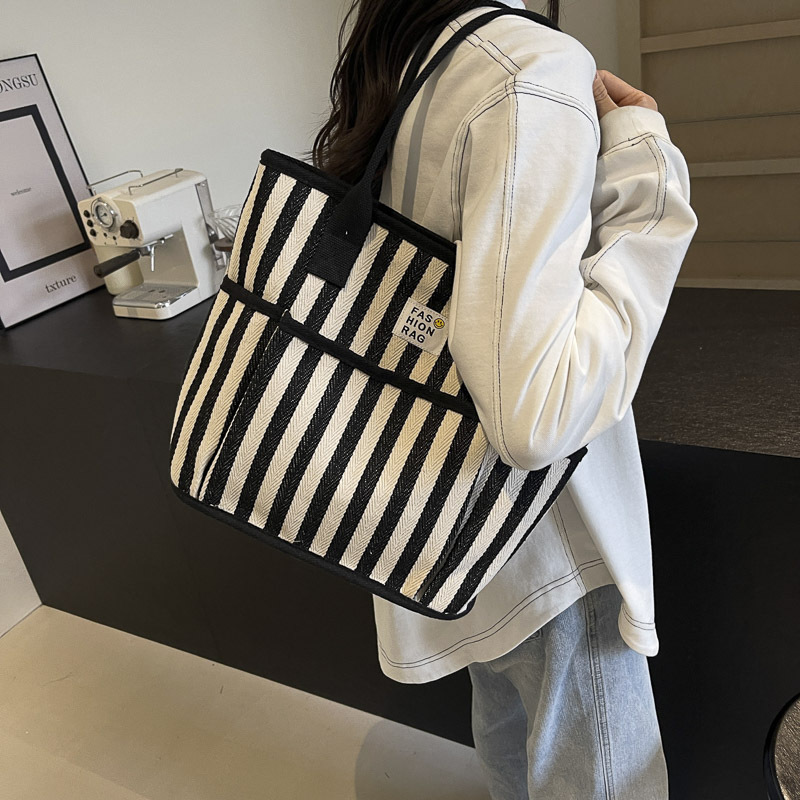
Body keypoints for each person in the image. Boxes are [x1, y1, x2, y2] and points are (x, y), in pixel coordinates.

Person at [309, 1, 698, 797]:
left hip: (445, 525)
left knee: (510, 753)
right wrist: (648, 182)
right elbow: (538, 418)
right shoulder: (531, 68)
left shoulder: (413, 53)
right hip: (546, 536)